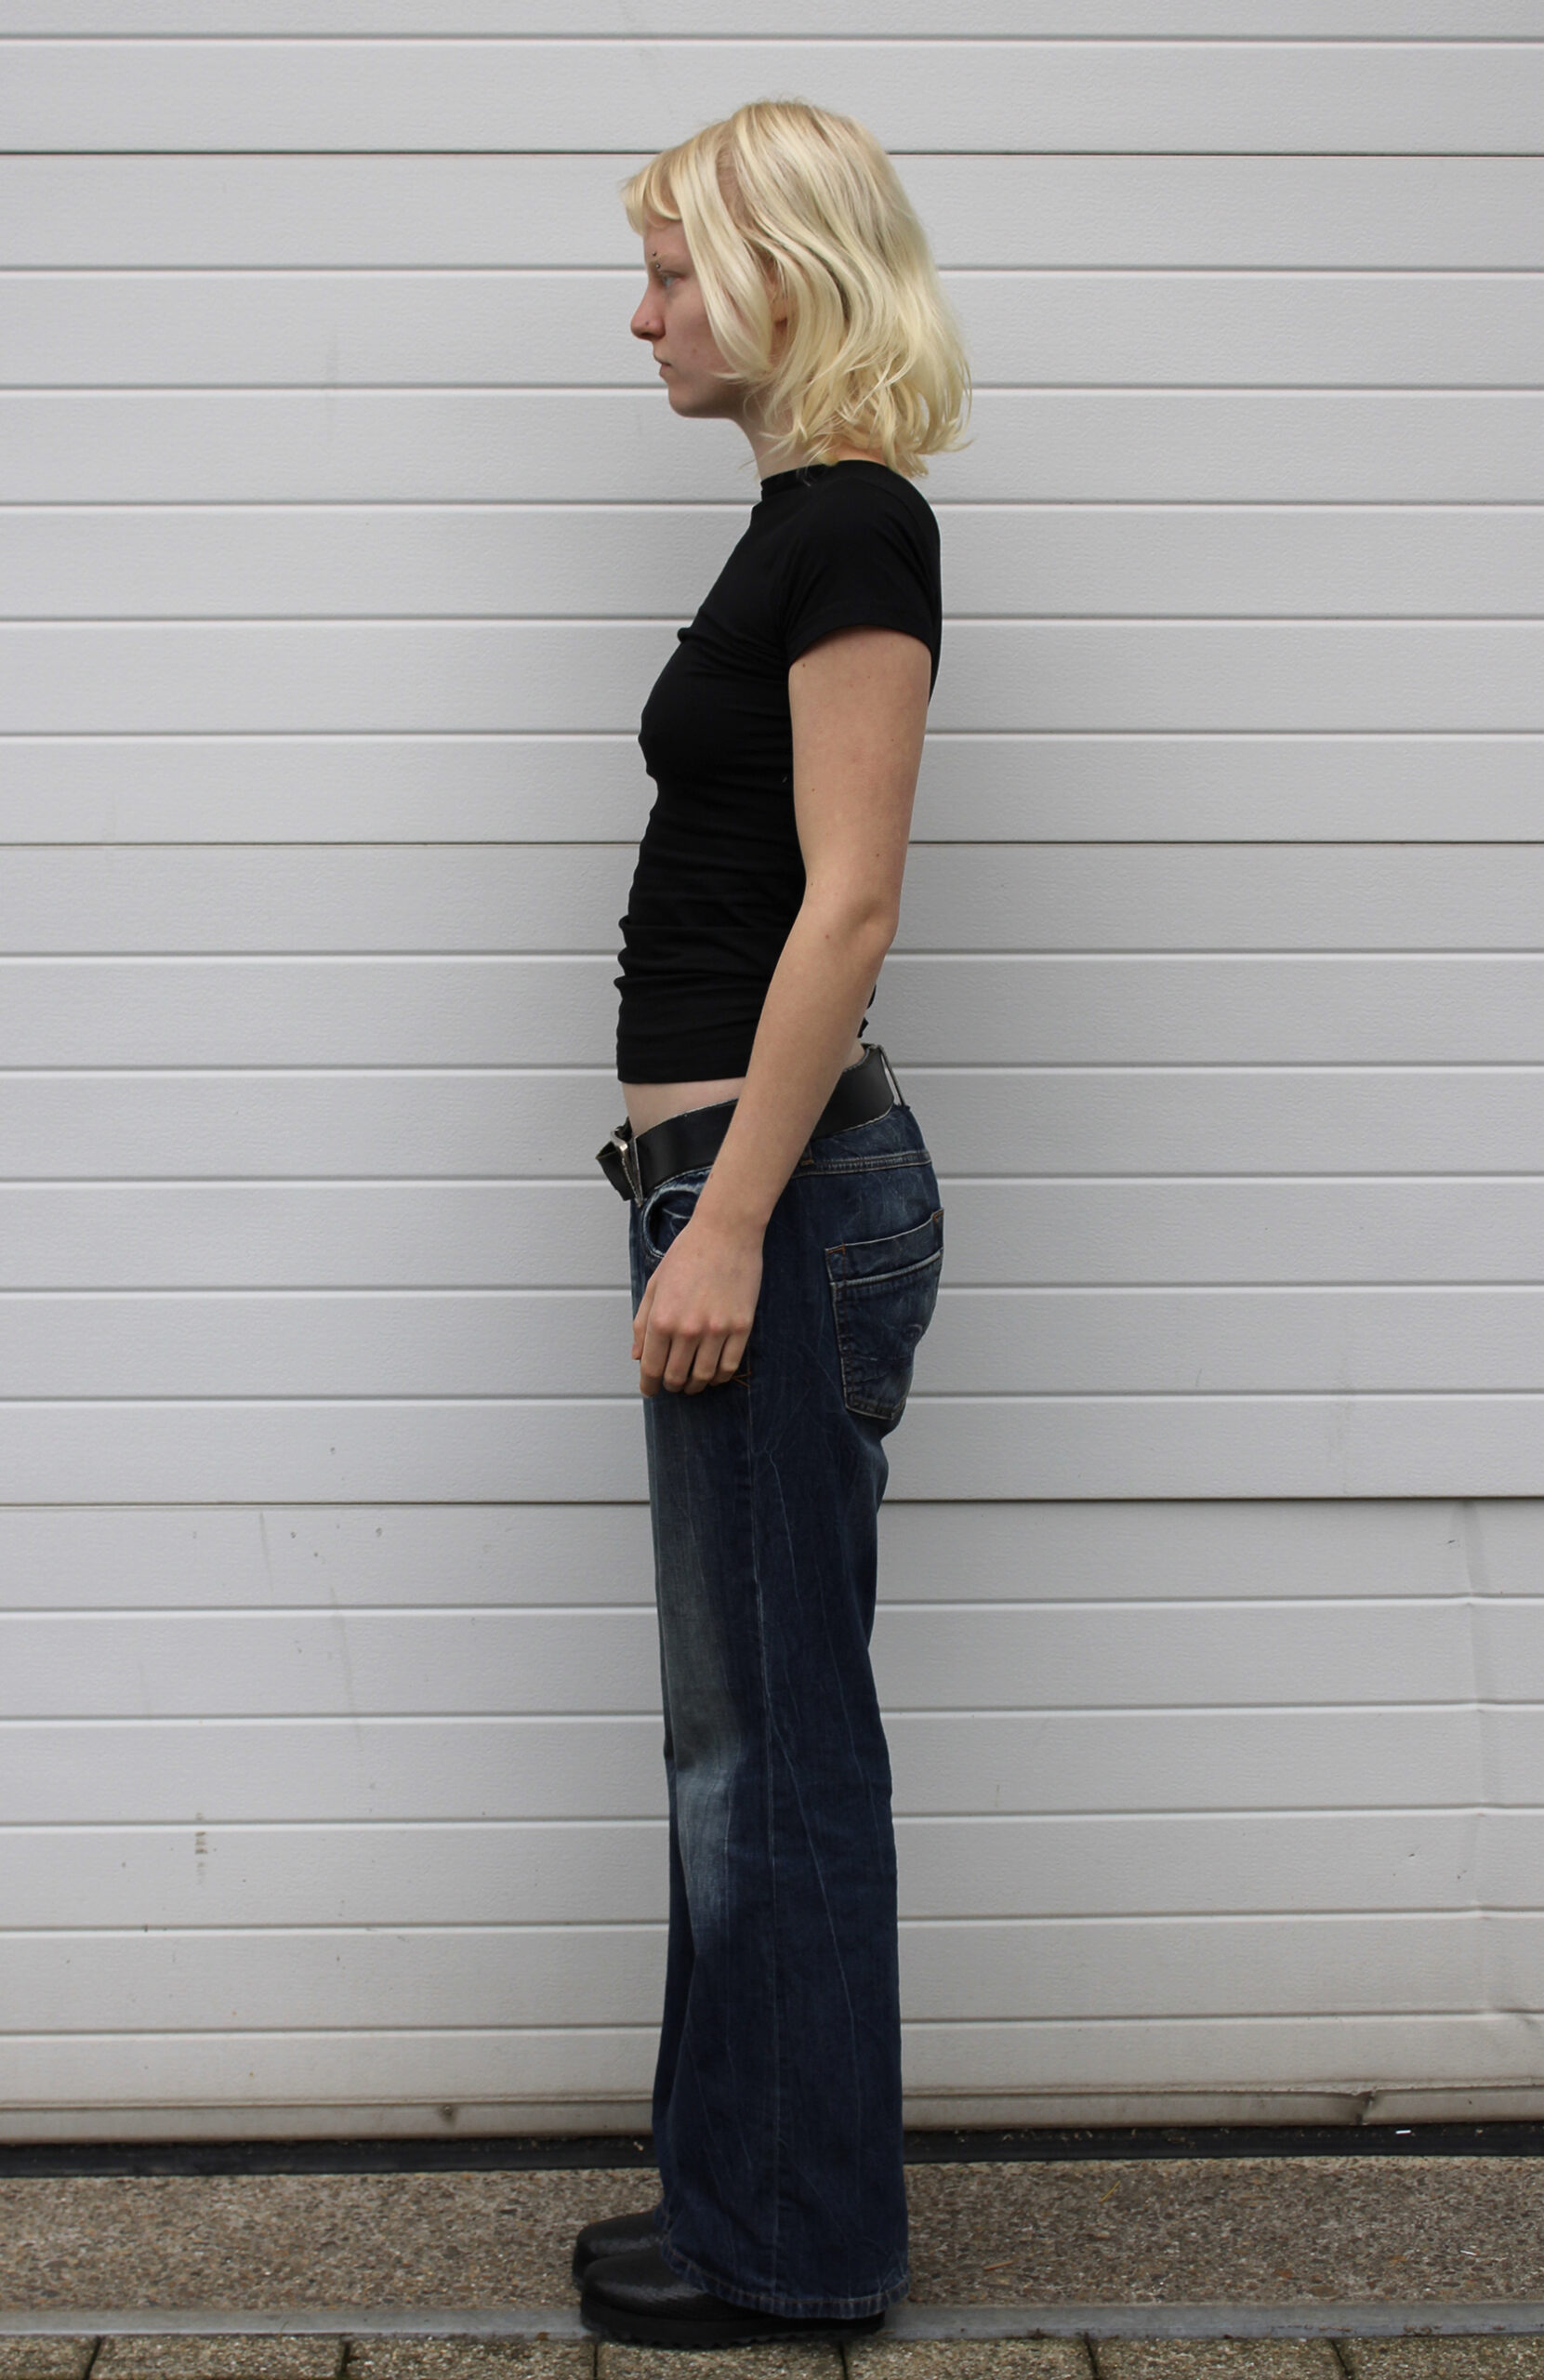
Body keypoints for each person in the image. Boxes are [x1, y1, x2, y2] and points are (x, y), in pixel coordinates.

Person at [576, 97, 970, 2349]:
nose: (642, 317)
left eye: (670, 273)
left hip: (777, 1196)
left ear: (783, 276)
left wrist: (722, 1222)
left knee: (779, 1739)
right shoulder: (804, 521)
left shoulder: (855, 526)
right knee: (737, 1736)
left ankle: (801, 2240)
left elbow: (852, 906)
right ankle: (741, 2194)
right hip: (740, 1184)